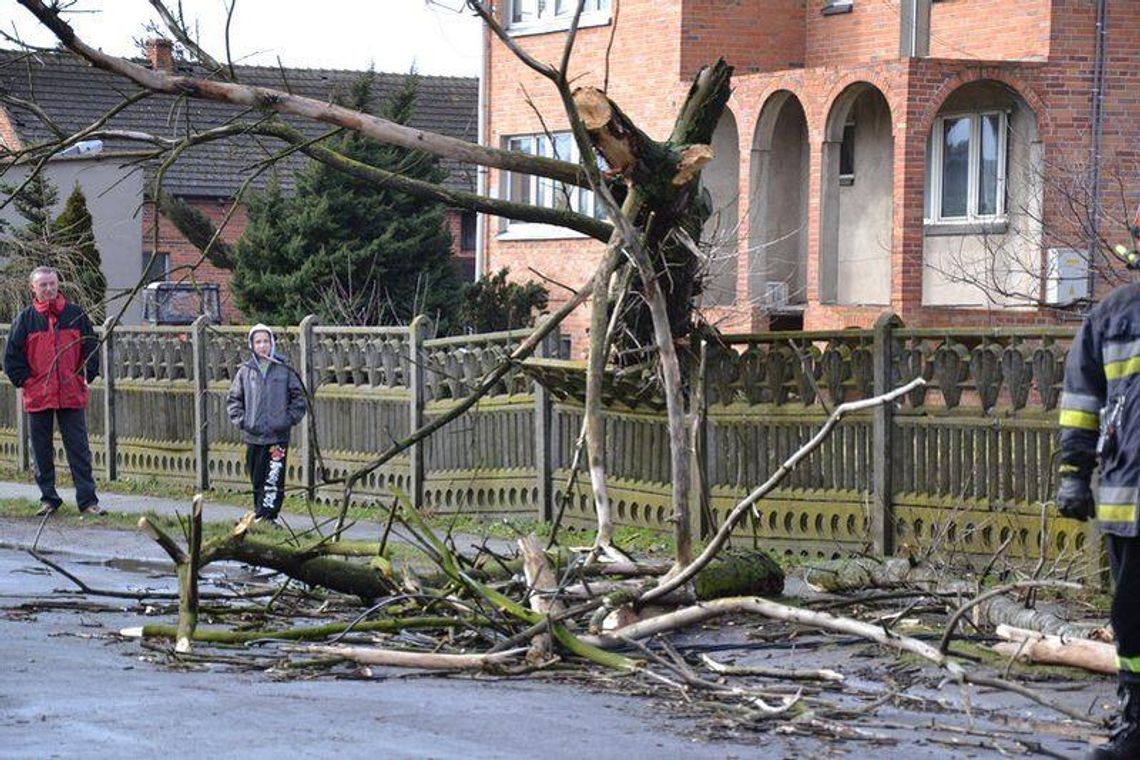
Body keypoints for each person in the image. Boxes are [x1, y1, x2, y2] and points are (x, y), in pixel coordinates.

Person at [1057, 273, 1140, 759]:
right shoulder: (1112, 316)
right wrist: (1073, 473)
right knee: (1132, 620)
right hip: (1128, 503)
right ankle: (1135, 722)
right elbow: (1081, 400)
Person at [3, 266, 104, 516]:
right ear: (33, 288)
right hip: (38, 395)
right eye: (43, 285)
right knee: (41, 450)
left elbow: (90, 346)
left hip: (71, 393)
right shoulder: (25, 320)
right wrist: (27, 381)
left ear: (58, 285)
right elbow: (11, 357)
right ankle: (48, 499)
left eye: (52, 284)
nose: (49, 289)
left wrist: (85, 374)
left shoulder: (75, 315)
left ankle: (88, 501)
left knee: (79, 449)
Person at [226, 324, 307, 524]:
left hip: (277, 437)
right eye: (258, 342)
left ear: (272, 343)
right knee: (257, 477)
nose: (262, 346)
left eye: (266, 341)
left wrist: (287, 420)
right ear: (252, 345)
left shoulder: (284, 369)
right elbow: (234, 399)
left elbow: (299, 398)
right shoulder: (246, 370)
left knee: (274, 477)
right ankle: (259, 513)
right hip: (254, 436)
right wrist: (244, 421)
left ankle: (268, 516)